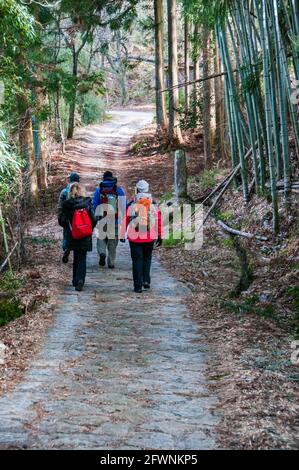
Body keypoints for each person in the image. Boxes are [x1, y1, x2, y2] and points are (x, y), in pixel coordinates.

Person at [121, 180, 162, 293]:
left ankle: (137, 286)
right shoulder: (153, 203)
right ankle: (146, 280)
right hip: (150, 235)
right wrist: (159, 235)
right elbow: (158, 219)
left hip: (135, 237)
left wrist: (122, 233)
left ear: (137, 189)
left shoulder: (132, 203)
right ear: (148, 189)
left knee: (136, 260)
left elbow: (126, 219)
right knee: (147, 258)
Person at [58, 183, 96, 292]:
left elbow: (61, 220)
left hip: (73, 234)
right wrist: (89, 229)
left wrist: (69, 227)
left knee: (76, 257)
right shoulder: (87, 203)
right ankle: (81, 280)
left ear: (71, 192)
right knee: (82, 257)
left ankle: (75, 280)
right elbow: (93, 219)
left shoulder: (67, 204)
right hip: (85, 235)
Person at [93, 171, 126, 269]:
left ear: (104, 178)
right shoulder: (118, 190)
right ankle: (111, 262)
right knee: (112, 242)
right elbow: (123, 206)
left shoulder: (99, 190)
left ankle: (102, 253)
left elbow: (94, 204)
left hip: (102, 219)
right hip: (115, 220)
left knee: (101, 239)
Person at [58, 173, 80, 264]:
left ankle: (66, 247)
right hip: (78, 217)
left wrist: (60, 216)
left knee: (67, 233)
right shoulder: (80, 190)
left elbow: (60, 206)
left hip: (67, 217)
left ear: (69, 180)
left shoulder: (64, 191)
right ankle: (76, 251)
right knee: (77, 234)